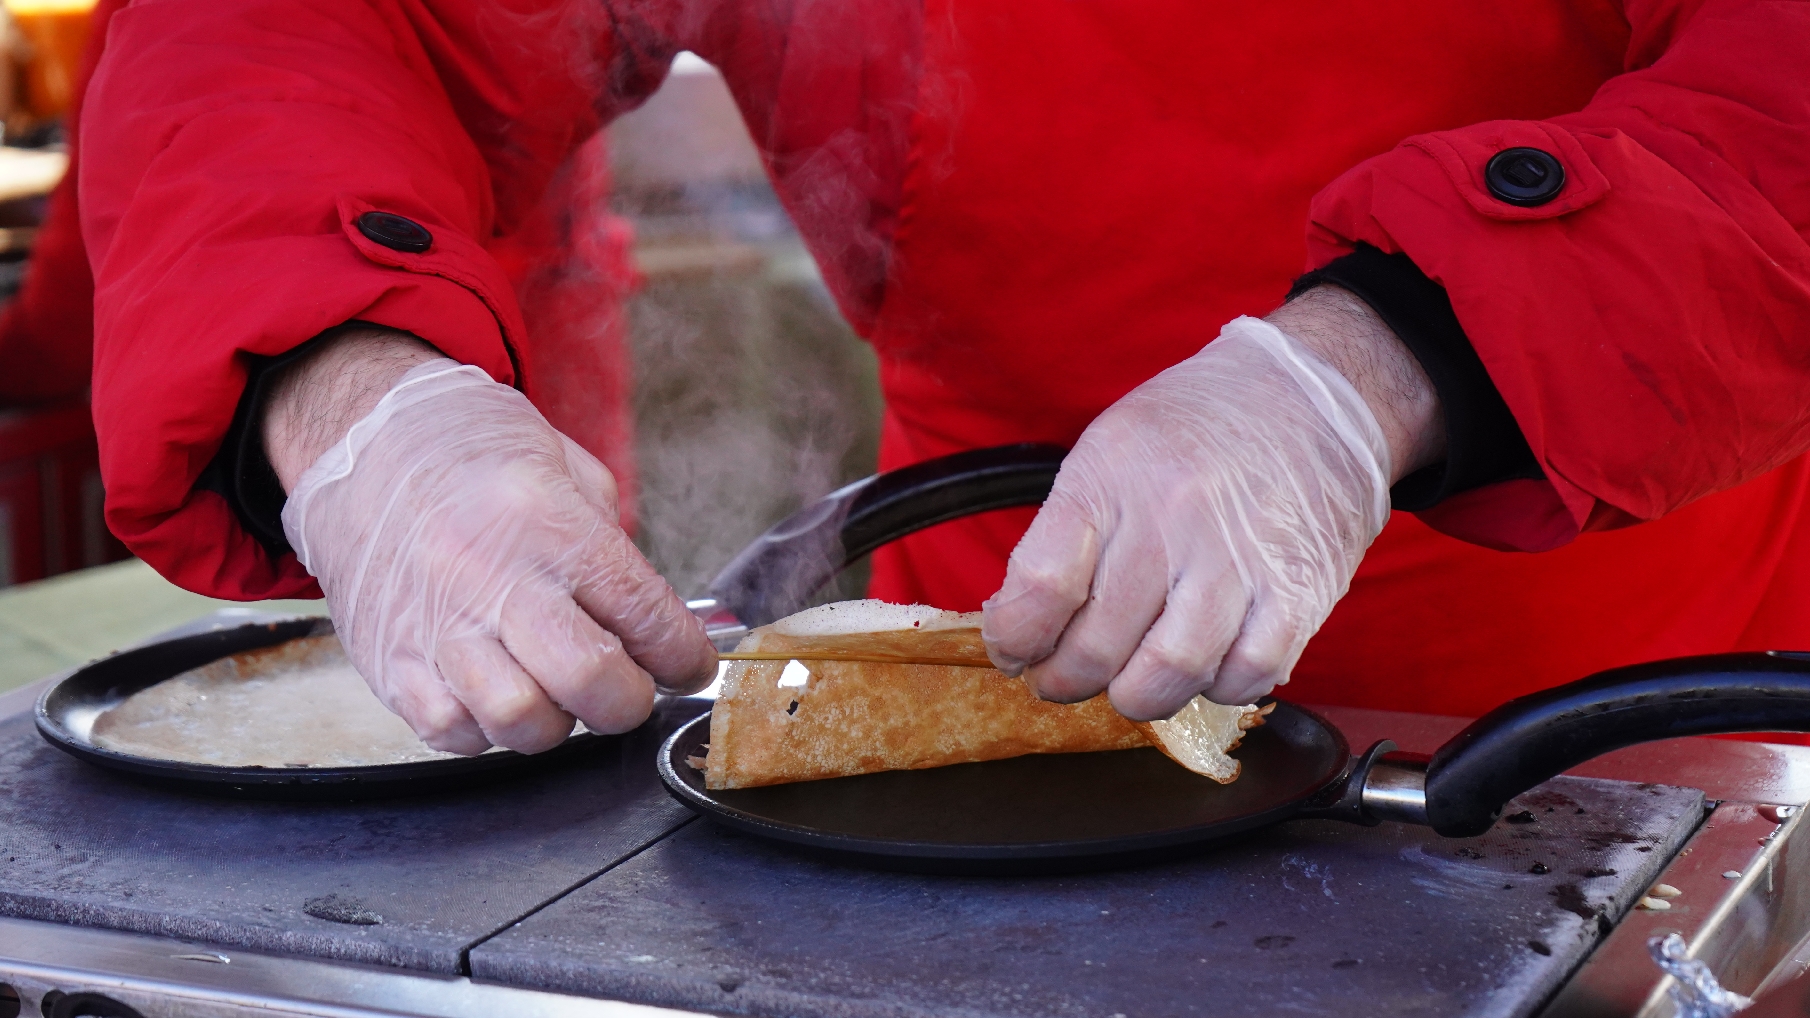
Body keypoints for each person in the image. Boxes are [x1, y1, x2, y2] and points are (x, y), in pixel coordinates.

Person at [78, 0, 1810, 754]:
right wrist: (356, 394)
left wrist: (1365, 376)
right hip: (974, 706)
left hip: (1600, 708)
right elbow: (322, 23)